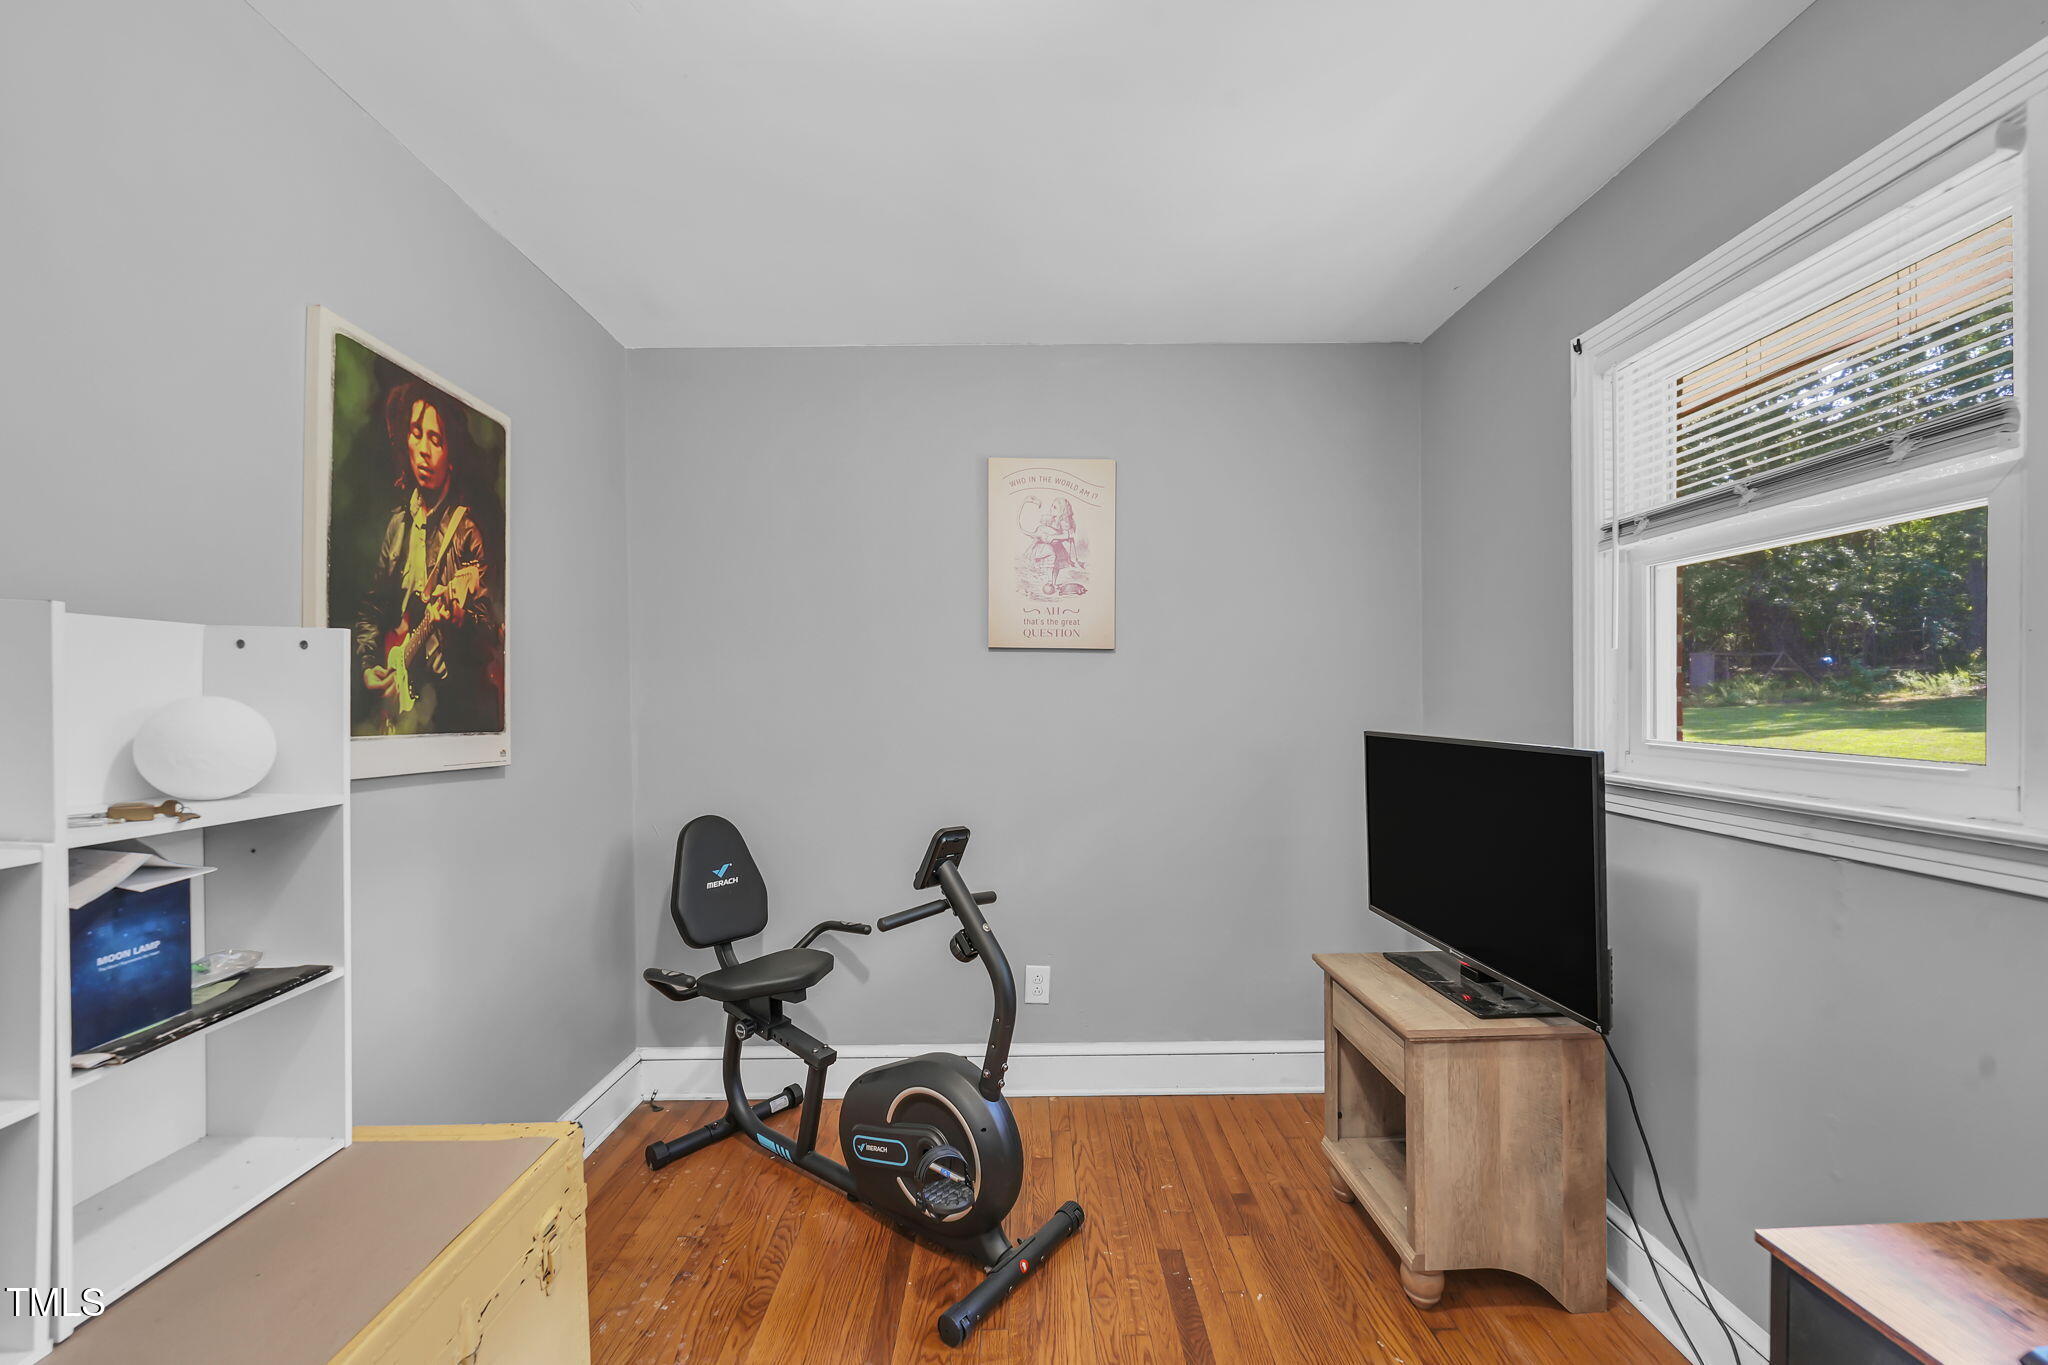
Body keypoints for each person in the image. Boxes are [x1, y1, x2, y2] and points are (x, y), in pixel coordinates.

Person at [351, 379, 502, 734]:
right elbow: (374, 607)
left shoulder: (467, 532)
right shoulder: (398, 525)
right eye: (417, 433)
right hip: (406, 702)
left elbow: (491, 633)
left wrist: (461, 617)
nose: (423, 450)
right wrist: (370, 662)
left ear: (452, 456)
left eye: (436, 440)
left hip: (452, 708)